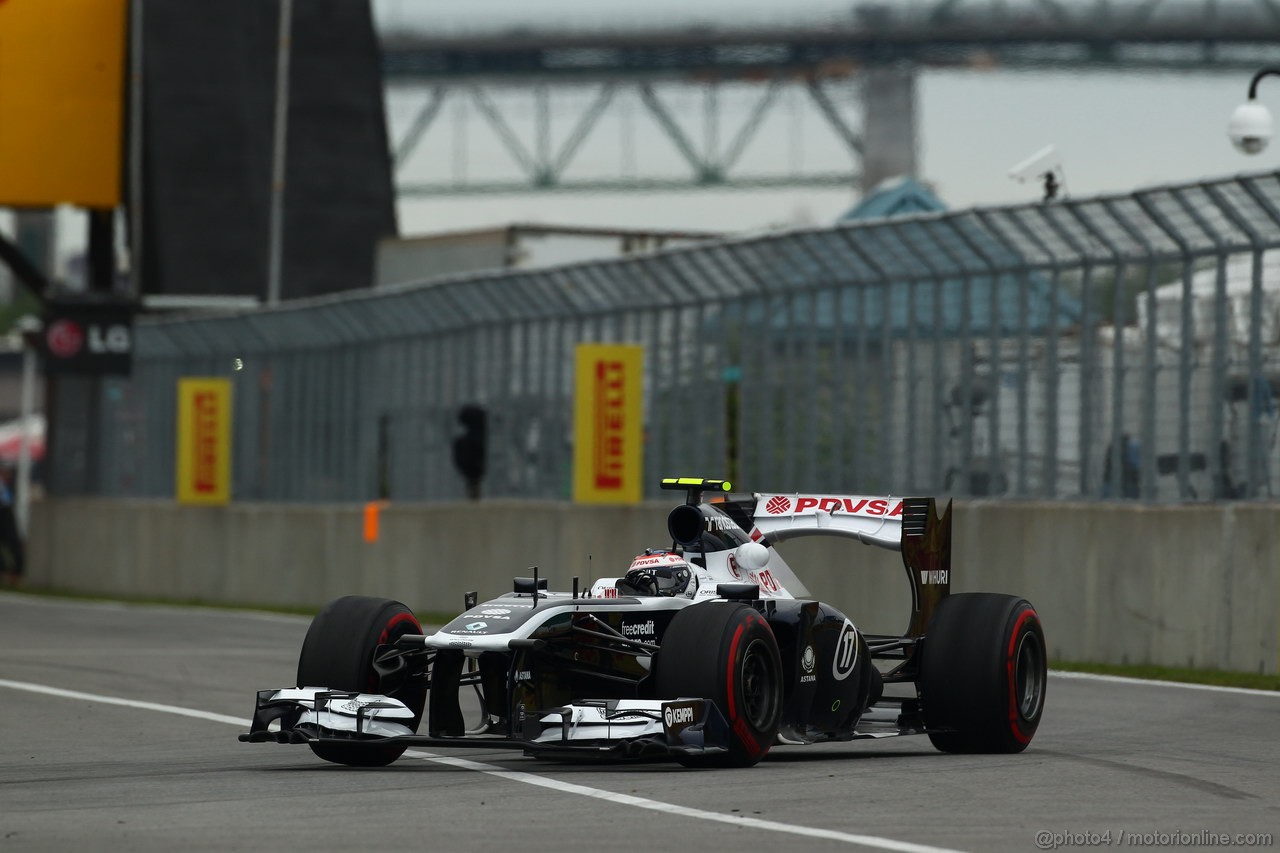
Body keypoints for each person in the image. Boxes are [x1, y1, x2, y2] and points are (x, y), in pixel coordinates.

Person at [0, 466, 24, 588]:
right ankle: (3, 571)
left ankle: (16, 574)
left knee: (14, 544)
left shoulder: (9, 482)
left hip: (6, 511)